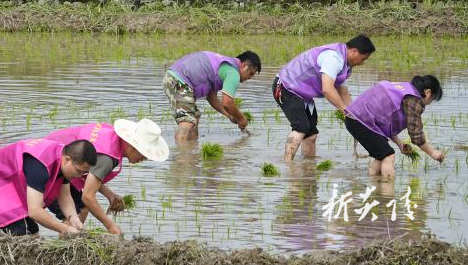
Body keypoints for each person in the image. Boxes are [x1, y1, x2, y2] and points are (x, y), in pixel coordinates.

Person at [44, 119, 169, 235]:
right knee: (72, 215)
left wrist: (110, 195)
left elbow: (90, 174)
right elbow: (87, 196)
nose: (145, 158)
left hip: (54, 157)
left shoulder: (111, 136)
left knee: (82, 209)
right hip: (49, 166)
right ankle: (64, 250)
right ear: (132, 145)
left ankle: (66, 246)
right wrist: (110, 226)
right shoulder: (107, 158)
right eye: (145, 152)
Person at [273, 34, 375, 162]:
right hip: (286, 87)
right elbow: (327, 89)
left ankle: (308, 169)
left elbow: (343, 92)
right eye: (363, 59)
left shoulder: (345, 65)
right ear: (354, 51)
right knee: (301, 128)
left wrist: (354, 115)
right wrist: (345, 110)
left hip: (302, 94)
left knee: (311, 135)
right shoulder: (334, 58)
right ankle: (288, 166)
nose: (362, 63)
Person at [0, 138, 96, 236]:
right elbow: (35, 211)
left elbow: (65, 196)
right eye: (79, 171)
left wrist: (74, 219)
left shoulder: (62, 158)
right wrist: (65, 228)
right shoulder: (40, 167)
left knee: (33, 231)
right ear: (67, 160)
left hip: (10, 182)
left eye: (83, 173)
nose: (80, 176)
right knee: (22, 232)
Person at [345, 75, 445, 179]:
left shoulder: (405, 89)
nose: (429, 103)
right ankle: (387, 193)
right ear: (428, 93)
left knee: (382, 155)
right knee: (388, 155)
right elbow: (416, 134)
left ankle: (375, 186)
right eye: (432, 99)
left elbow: (384, 124)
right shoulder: (414, 99)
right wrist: (433, 153)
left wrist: (400, 145)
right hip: (360, 121)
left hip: (356, 118)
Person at [164, 50, 262, 141]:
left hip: (174, 77)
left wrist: (230, 116)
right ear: (243, 65)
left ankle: (191, 153)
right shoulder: (233, 73)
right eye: (251, 73)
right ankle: (181, 155)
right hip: (178, 80)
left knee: (194, 117)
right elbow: (227, 102)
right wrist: (241, 119)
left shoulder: (225, 66)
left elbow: (211, 97)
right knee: (187, 121)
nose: (249, 78)